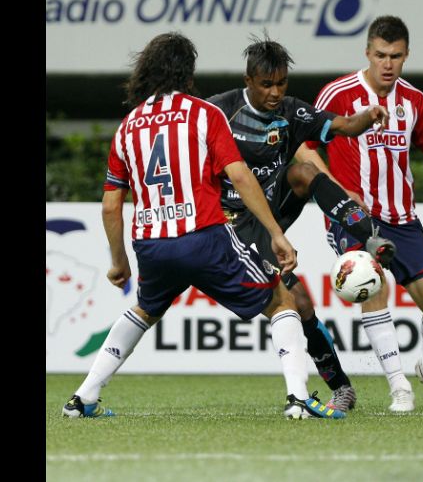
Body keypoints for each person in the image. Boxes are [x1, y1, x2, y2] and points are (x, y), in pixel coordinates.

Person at [61, 32, 346, 421]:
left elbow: (112, 205)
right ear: (187, 72)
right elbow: (241, 177)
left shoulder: (128, 126)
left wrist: (119, 261)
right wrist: (276, 233)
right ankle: (298, 398)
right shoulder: (203, 114)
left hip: (152, 244)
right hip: (204, 236)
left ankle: (83, 397)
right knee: (282, 300)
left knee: (145, 309)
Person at [297, 15, 423, 412]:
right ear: (367, 52)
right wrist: (335, 191)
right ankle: (398, 384)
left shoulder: (415, 101)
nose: (387, 63)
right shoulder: (337, 94)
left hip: (402, 219)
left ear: (406, 57)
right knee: (373, 282)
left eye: (396, 56)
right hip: (353, 217)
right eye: (381, 55)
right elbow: (306, 148)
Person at [206, 35, 397, 412]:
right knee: (302, 304)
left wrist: (367, 117)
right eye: (266, 85)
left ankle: (369, 239)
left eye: (281, 83)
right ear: (248, 80)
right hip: (232, 224)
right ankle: (336, 386)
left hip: (272, 213)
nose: (275, 92)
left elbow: (343, 125)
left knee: (306, 171)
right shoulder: (218, 112)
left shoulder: (292, 112)